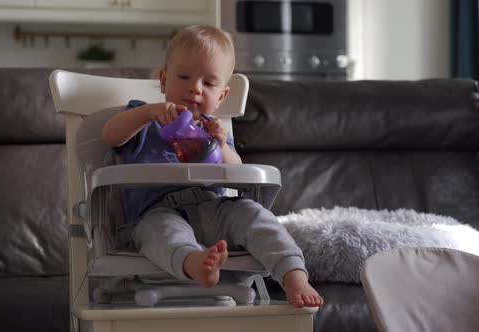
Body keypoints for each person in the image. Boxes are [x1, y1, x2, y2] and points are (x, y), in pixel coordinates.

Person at [102, 25, 323, 308]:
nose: (195, 88)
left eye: (208, 83)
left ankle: (293, 275)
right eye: (184, 77)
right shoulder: (144, 119)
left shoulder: (214, 131)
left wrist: (222, 147)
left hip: (214, 208)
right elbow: (111, 136)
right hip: (155, 211)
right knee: (162, 232)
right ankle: (195, 263)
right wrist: (146, 112)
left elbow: (239, 173)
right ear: (163, 78)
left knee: (254, 214)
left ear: (221, 96)